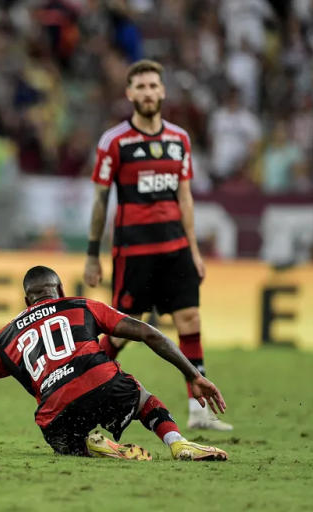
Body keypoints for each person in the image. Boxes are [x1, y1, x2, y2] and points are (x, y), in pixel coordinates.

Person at [0, 266, 229, 462]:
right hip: (103, 385)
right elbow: (149, 333)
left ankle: (89, 446)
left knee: (64, 444)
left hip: (56, 414)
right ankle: (177, 443)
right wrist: (192, 375)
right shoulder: (82, 305)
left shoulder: (4, 337)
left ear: (27, 301)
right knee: (143, 397)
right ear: (60, 291)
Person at [83, 59, 233, 431]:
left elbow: (185, 197)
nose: (148, 93)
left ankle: (199, 411)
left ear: (163, 91)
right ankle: (80, 389)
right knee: (121, 331)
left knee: (190, 319)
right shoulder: (114, 141)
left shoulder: (179, 139)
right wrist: (92, 254)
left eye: (154, 86)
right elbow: (101, 201)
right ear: (129, 93)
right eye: (141, 87)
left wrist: (195, 250)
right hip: (133, 251)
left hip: (176, 247)